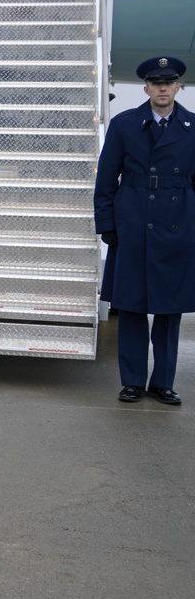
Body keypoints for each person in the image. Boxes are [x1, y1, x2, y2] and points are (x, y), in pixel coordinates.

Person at [94, 56, 194, 406]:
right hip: (133, 227)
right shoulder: (124, 125)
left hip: (177, 229)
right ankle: (133, 381)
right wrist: (107, 225)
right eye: (156, 82)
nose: (163, 88)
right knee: (132, 308)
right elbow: (106, 181)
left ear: (178, 86)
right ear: (146, 87)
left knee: (169, 311)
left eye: (169, 82)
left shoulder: (192, 127)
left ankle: (163, 383)